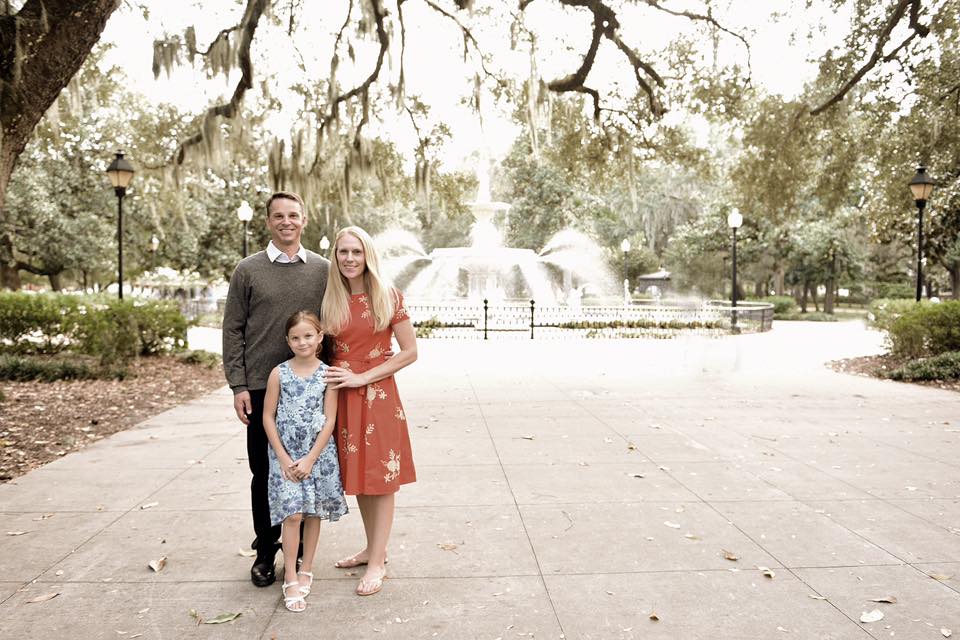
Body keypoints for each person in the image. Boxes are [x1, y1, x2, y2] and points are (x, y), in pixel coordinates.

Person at [222, 192, 329, 587]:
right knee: (265, 472)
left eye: (293, 215)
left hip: (309, 390)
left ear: (304, 219)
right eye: (279, 216)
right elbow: (233, 329)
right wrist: (237, 384)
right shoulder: (248, 270)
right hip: (260, 388)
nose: (287, 222)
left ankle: (297, 550)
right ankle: (266, 551)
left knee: (306, 471)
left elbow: (332, 325)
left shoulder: (322, 269)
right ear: (268, 221)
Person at [321, 226, 418, 596]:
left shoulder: (388, 296)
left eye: (356, 252)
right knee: (360, 476)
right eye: (343, 252)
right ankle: (371, 548)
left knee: (381, 478)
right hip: (342, 396)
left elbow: (410, 352)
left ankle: (378, 561)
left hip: (377, 396)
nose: (349, 259)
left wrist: (363, 377)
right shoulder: (329, 298)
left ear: (368, 257)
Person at [263, 311, 347, 612]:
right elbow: (267, 417)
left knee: (312, 514)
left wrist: (311, 458)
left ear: (320, 337)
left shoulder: (328, 374)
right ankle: (290, 575)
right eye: (296, 337)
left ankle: (306, 567)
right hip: (285, 455)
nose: (302, 342)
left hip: (317, 456)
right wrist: (284, 458)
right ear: (288, 340)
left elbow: (330, 420)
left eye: (308, 336)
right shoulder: (279, 373)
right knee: (293, 514)